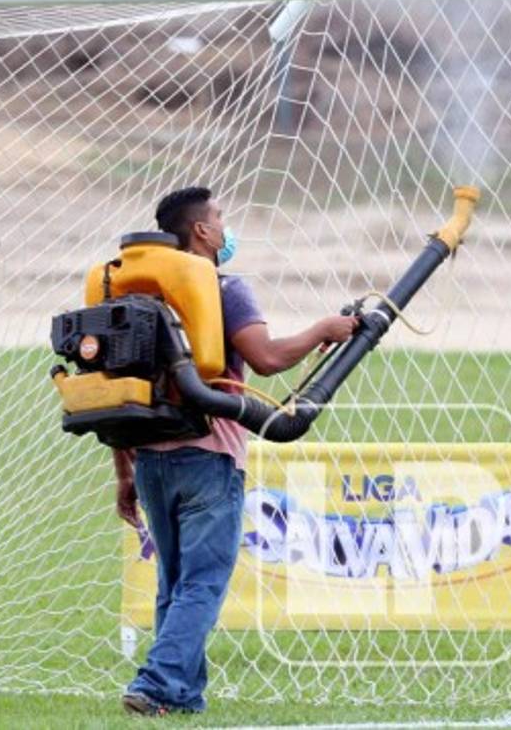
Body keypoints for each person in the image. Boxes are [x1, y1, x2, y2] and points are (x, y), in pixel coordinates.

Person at [115, 186, 356, 716]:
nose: (226, 227)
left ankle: (180, 697)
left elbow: (119, 388)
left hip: (151, 459)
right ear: (200, 230)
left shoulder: (139, 299)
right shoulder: (224, 289)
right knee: (202, 582)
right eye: (220, 218)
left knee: (174, 583)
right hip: (209, 455)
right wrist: (324, 329)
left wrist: (124, 473)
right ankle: (156, 683)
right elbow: (266, 359)